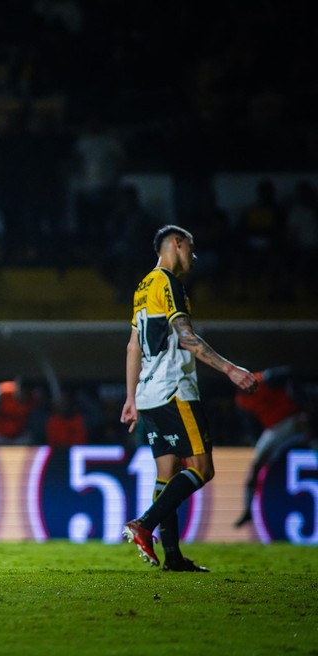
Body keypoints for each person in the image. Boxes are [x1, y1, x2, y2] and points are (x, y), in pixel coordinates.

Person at [120, 225, 258, 572]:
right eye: (190, 250)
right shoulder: (168, 282)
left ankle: (173, 557)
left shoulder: (142, 287)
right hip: (175, 389)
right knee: (201, 468)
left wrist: (131, 397)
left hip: (150, 394)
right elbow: (186, 337)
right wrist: (230, 370)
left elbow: (133, 346)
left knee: (167, 473)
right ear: (177, 244)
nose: (193, 258)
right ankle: (144, 524)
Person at [232, 366, 310, 528]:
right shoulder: (242, 401)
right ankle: (248, 509)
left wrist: (299, 398)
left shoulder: (265, 379)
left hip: (293, 417)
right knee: (255, 465)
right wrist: (253, 439)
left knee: (307, 426)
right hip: (275, 428)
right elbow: (250, 423)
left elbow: (290, 372)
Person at [0, 378, 38, 445]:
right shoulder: (2, 393)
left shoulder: (33, 400)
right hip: (0, 437)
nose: (23, 395)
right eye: (21, 391)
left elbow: (35, 421)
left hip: (21, 438)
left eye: (26, 393)